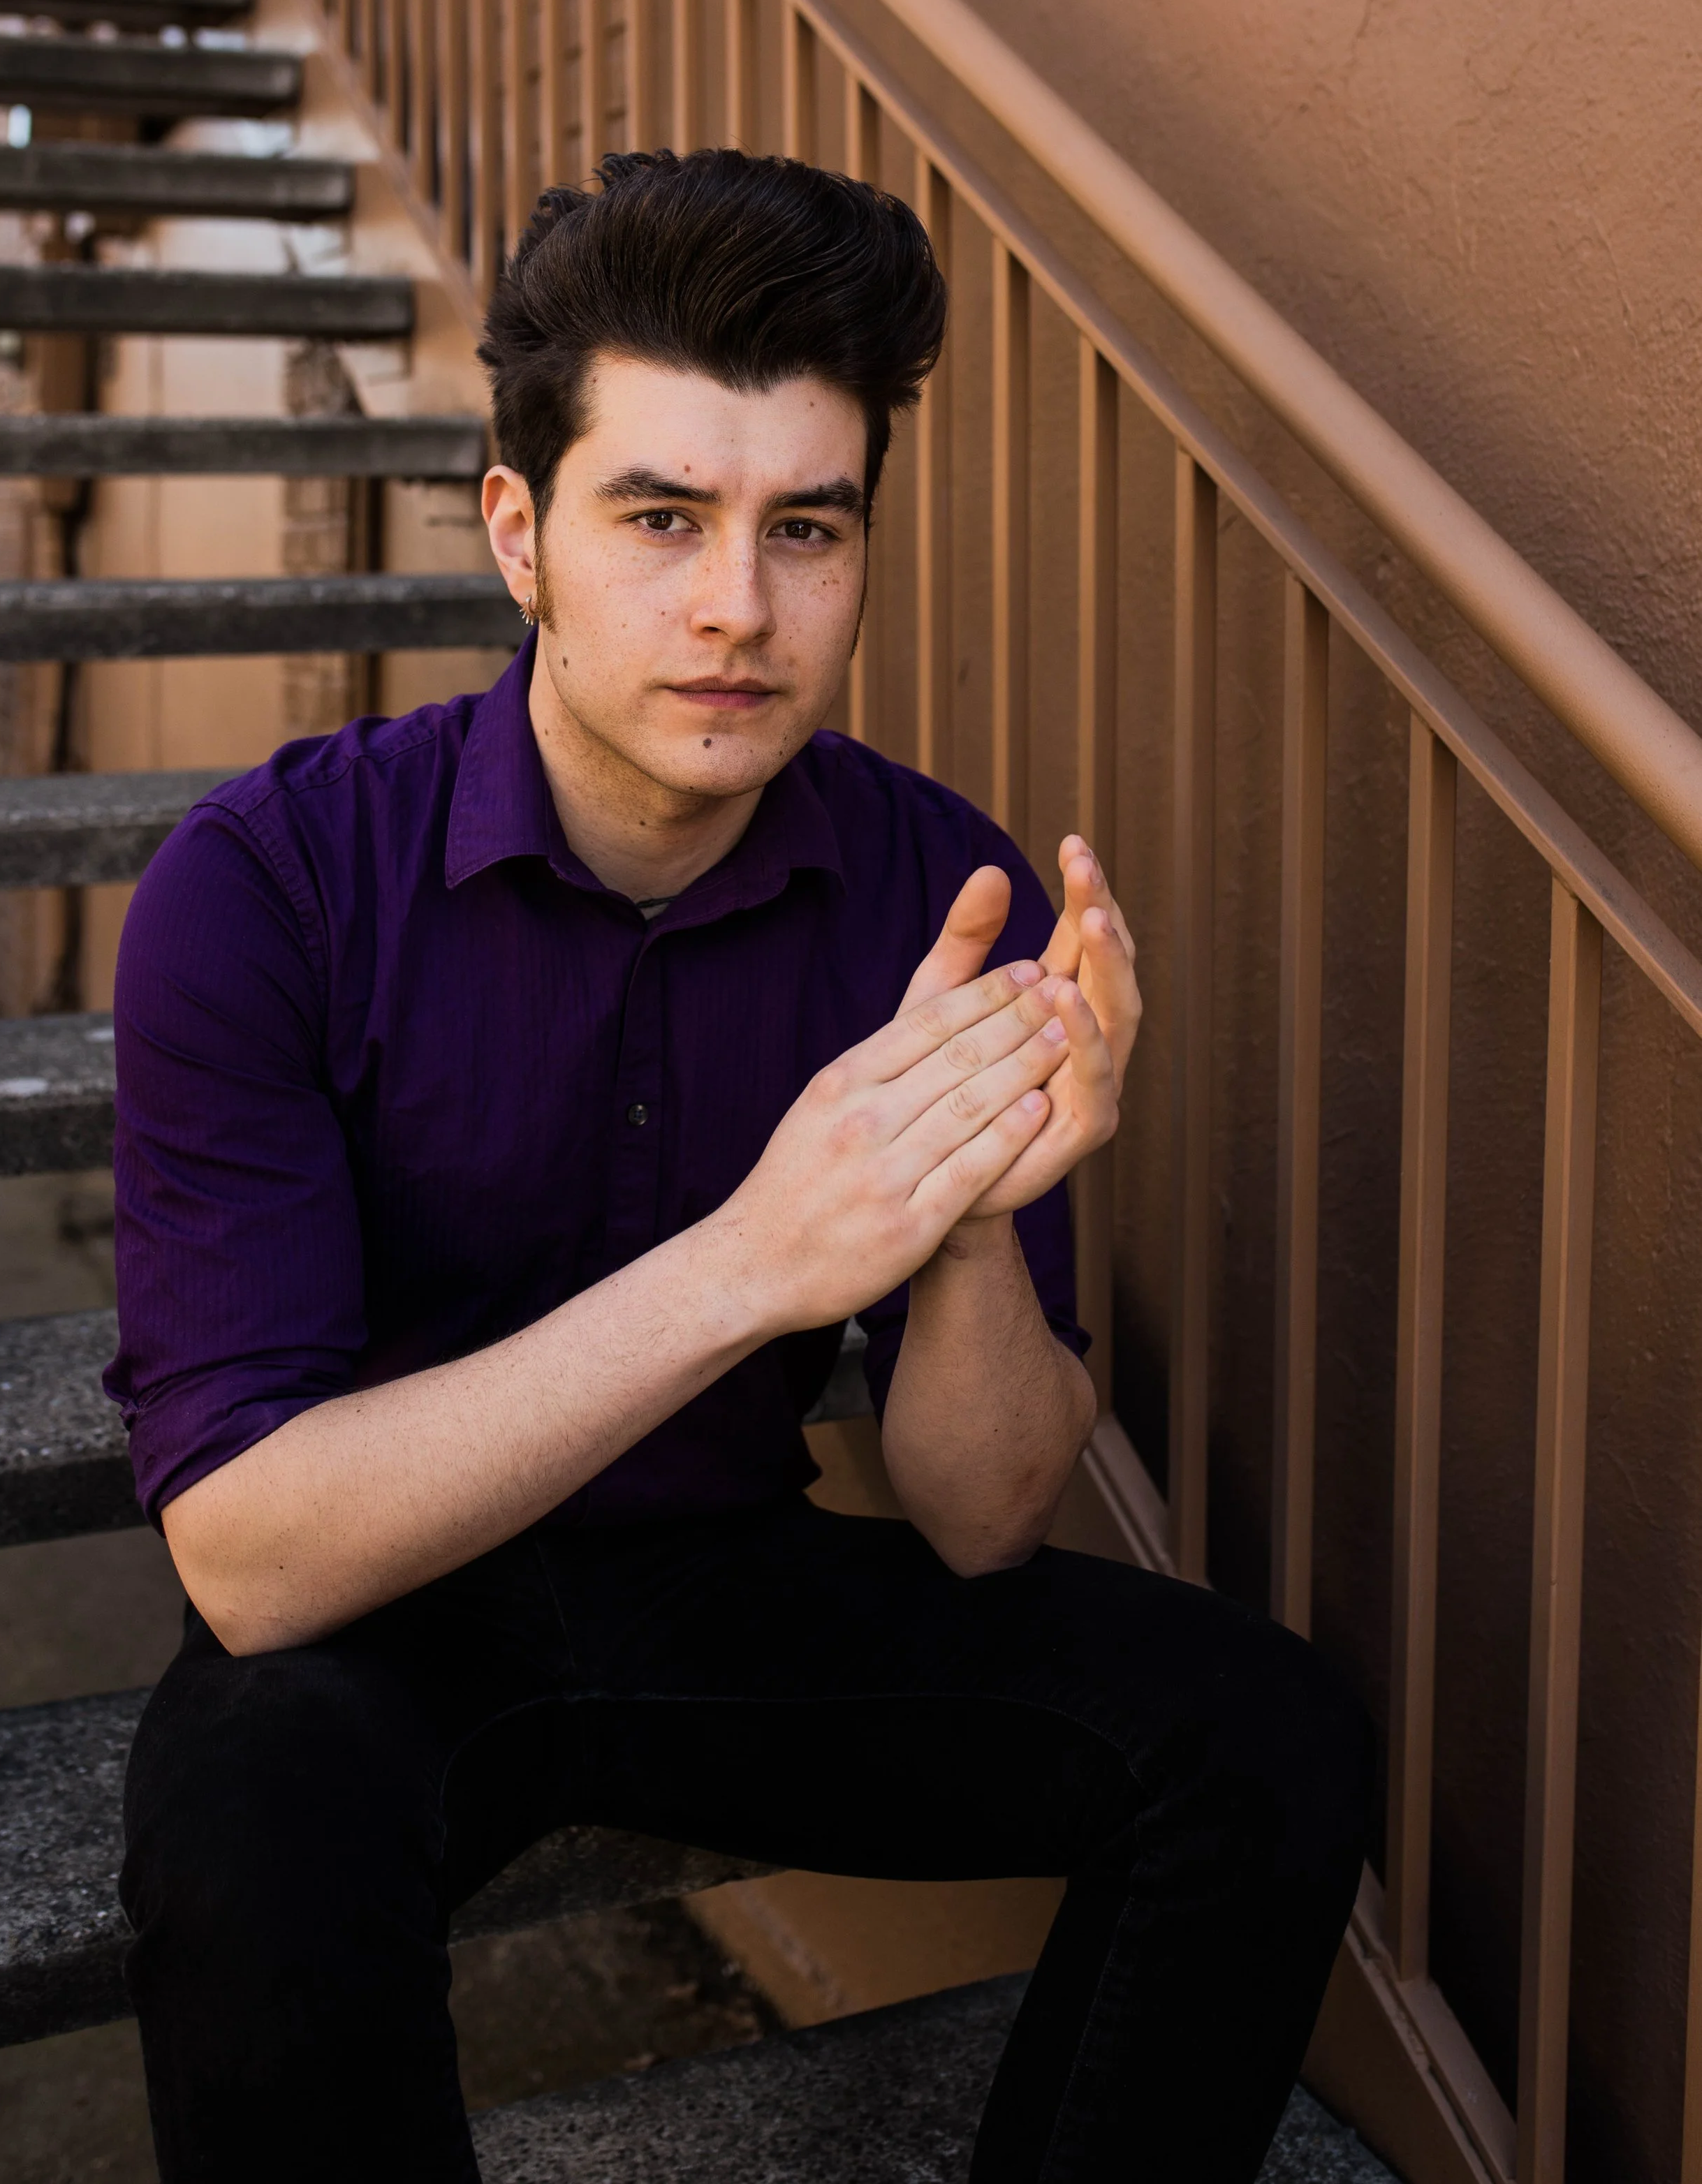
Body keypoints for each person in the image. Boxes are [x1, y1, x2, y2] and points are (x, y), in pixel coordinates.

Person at [109, 148, 1370, 2182]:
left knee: (1267, 1739)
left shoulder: (922, 881)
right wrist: (755, 1264)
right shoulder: (263, 889)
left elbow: (978, 1523)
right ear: (519, 531)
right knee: (250, 1824)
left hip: (727, 1582)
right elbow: (253, 1560)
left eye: (806, 527)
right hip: (380, 1587)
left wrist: (963, 1224)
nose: (736, 608)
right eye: (662, 517)